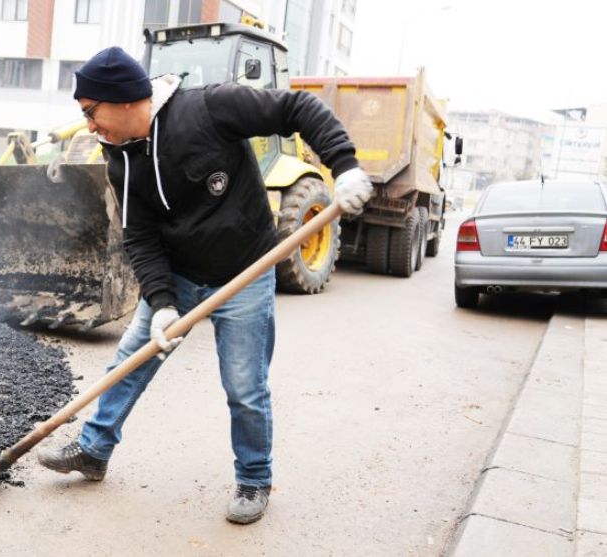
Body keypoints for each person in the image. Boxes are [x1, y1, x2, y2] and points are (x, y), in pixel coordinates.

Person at [36, 46, 372, 525]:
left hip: (245, 274)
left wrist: (345, 165)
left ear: (126, 99)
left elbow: (295, 108)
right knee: (129, 363)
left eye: (91, 111)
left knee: (244, 387)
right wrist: (163, 302)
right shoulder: (121, 160)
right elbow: (141, 237)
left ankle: (254, 478)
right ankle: (93, 450)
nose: (89, 125)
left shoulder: (209, 109)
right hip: (179, 275)